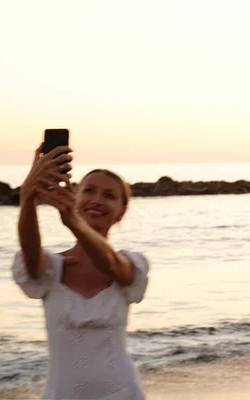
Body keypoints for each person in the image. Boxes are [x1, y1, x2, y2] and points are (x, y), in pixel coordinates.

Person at [11, 144, 150, 400]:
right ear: (76, 198)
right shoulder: (51, 269)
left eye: (109, 196)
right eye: (88, 191)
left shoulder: (130, 265)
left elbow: (108, 262)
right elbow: (30, 251)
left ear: (121, 212)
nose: (97, 200)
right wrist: (28, 195)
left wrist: (72, 221)